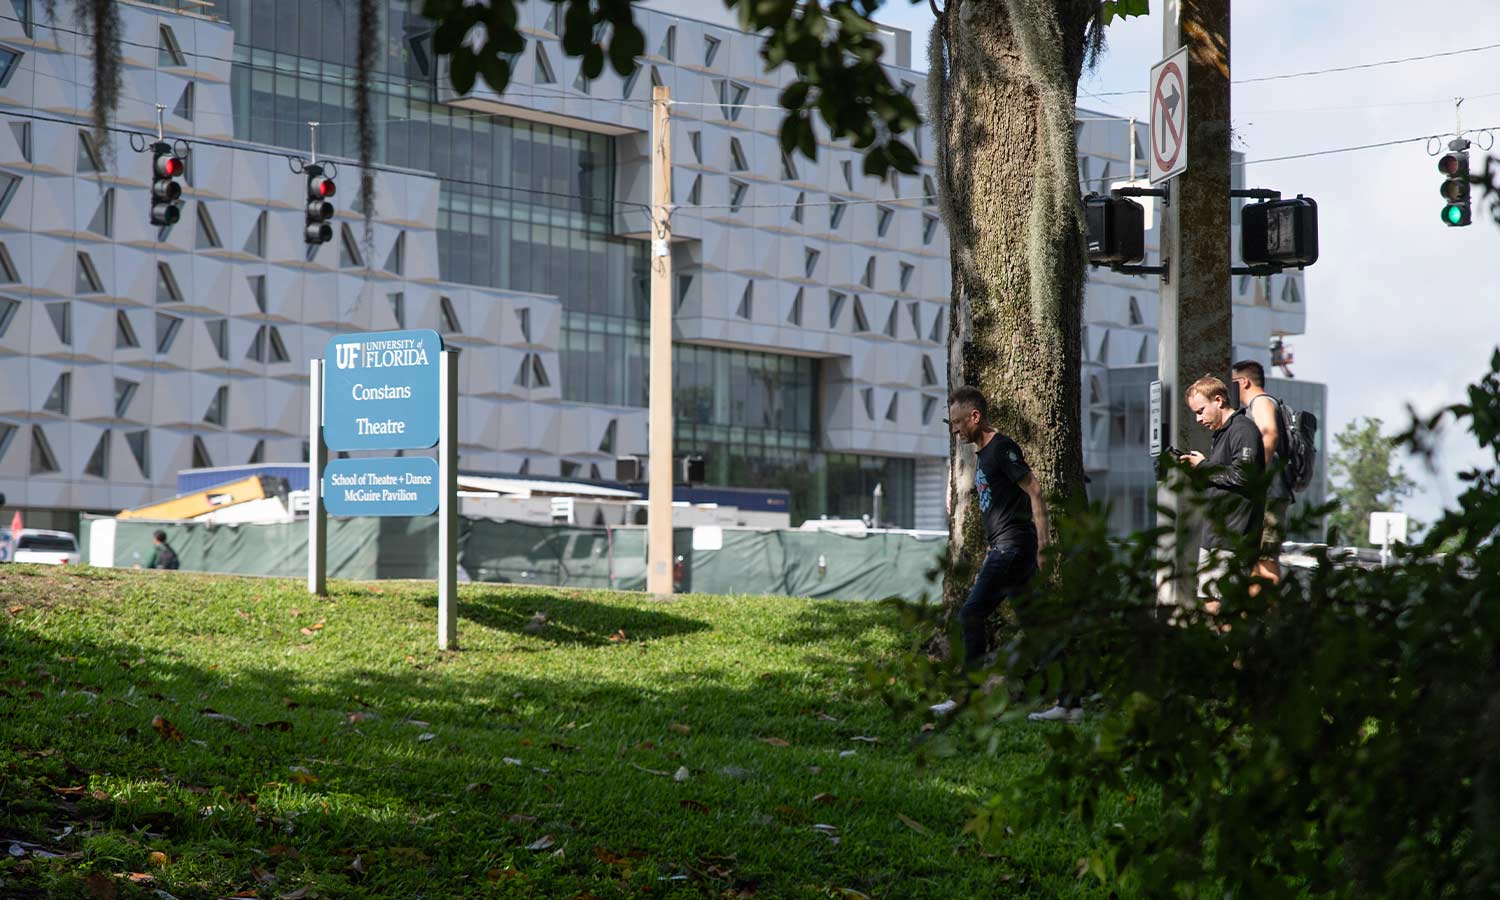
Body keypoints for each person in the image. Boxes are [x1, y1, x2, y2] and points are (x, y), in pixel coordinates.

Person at [928, 387, 1068, 722]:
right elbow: (1003, 503)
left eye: (959, 421)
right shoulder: (981, 455)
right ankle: (1070, 704)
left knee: (970, 614)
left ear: (975, 417)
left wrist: (1044, 545)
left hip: (1013, 548)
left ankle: (967, 697)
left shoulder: (1002, 448)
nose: (955, 428)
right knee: (1037, 626)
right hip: (1006, 547)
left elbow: (1034, 491)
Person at [1178, 375, 1265, 606]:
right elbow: (1224, 478)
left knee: (1218, 606)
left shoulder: (1243, 430)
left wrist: (1204, 466)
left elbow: (1245, 476)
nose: (1198, 419)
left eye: (1200, 411)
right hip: (1216, 536)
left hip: (1232, 537)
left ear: (1218, 400)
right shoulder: (1222, 433)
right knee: (1212, 604)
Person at [1230, 360, 1293, 588]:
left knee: (1266, 559)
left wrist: (1254, 476)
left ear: (1244, 381)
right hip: (1272, 492)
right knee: (1258, 558)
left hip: (1270, 492)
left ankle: (1267, 617)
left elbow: (1270, 434)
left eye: (1233, 381)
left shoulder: (1261, 402)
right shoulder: (1260, 404)